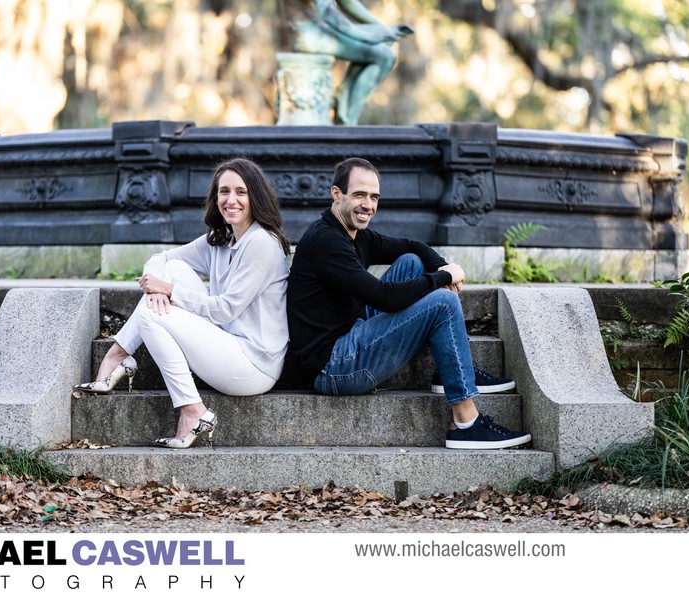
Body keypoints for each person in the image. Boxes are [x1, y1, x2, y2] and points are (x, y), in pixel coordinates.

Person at [286, 157, 532, 449]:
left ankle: (451, 366)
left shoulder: (353, 233)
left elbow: (412, 246)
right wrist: (442, 278)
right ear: (336, 194)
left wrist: (442, 266)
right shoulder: (325, 241)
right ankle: (466, 422)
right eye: (359, 195)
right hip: (333, 366)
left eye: (374, 197)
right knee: (441, 301)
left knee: (411, 263)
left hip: (349, 331)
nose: (368, 204)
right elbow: (385, 299)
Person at [75, 158, 290, 449]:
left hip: (254, 365)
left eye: (241, 192)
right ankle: (119, 356)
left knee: (153, 313)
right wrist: (160, 289)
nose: (231, 200)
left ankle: (190, 408)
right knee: (171, 271)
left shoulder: (262, 244)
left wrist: (169, 290)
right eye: (223, 191)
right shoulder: (221, 240)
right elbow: (161, 260)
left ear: (256, 196)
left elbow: (226, 309)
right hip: (227, 340)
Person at [280, 0, 413, 125]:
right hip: (309, 34)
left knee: (385, 41)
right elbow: (327, 13)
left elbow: (348, 2)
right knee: (384, 56)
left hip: (323, 29)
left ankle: (344, 100)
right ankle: (347, 121)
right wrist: (369, 36)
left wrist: (383, 29)